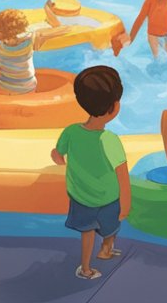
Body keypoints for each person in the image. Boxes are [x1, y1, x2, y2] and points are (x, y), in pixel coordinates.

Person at [51, 65, 130, 281]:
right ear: (114, 107)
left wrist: (59, 160)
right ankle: (106, 249)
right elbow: (122, 176)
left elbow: (57, 154)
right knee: (111, 226)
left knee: (87, 234)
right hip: (109, 198)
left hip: (82, 197)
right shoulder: (110, 140)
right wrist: (126, 203)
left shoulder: (71, 132)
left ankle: (85, 268)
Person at [0, 4, 73, 93]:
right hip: (26, 88)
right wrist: (47, 9)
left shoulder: (0, 48)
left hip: (4, 87)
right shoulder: (31, 40)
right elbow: (64, 29)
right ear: (22, 28)